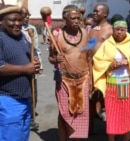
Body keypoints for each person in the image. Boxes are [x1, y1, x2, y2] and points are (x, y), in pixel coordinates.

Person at [48, 5, 91, 140]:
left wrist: (91, 79)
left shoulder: (85, 33)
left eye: (78, 18)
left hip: (83, 79)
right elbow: (50, 57)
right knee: (64, 114)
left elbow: (89, 57)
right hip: (64, 81)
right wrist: (55, 59)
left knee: (81, 114)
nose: (76, 21)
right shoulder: (57, 35)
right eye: (73, 18)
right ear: (64, 19)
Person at [0, 4, 41, 141]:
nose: (17, 23)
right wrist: (26, 68)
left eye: (20, 20)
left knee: (22, 137)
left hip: (25, 99)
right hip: (8, 100)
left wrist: (35, 61)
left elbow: (32, 53)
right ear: (1, 21)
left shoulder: (22, 36)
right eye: (12, 20)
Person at [88, 3, 113, 134]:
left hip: (106, 70)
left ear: (105, 14)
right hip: (91, 68)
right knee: (90, 98)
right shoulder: (92, 28)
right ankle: (89, 129)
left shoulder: (111, 29)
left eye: (97, 11)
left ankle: (111, 130)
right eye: (93, 11)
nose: (94, 13)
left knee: (108, 99)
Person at [21, 6, 43, 130]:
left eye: (28, 14)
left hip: (30, 63)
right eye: (24, 14)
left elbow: (36, 49)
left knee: (33, 92)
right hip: (19, 64)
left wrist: (38, 64)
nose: (27, 17)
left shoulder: (31, 29)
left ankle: (31, 117)